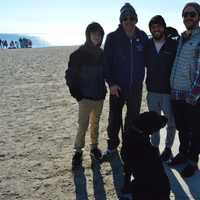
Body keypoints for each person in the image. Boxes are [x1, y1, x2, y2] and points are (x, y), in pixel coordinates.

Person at [103, 3, 148, 158]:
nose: (128, 21)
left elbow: (152, 57)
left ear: (136, 19)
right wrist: (111, 84)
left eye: (131, 18)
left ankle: (128, 145)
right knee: (114, 118)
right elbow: (106, 64)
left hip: (136, 87)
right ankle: (112, 146)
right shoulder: (112, 38)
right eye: (125, 18)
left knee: (132, 118)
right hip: (118, 88)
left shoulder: (142, 37)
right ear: (121, 20)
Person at [65, 22, 106, 169]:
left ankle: (94, 147)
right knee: (82, 125)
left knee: (95, 124)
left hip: (99, 96)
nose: (97, 36)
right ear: (88, 35)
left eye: (99, 34)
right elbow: (70, 76)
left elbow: (107, 74)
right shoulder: (78, 54)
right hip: (85, 98)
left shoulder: (102, 54)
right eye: (94, 33)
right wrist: (77, 94)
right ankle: (78, 151)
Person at [169, 2, 200, 177]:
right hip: (176, 92)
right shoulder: (182, 38)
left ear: (198, 17)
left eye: (192, 14)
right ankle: (182, 153)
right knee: (182, 127)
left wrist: (193, 96)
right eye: (185, 14)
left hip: (192, 96)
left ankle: (192, 161)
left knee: (195, 130)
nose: (188, 17)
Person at [145, 15, 178, 161]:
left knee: (171, 123)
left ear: (163, 27)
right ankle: (154, 148)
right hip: (152, 92)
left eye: (158, 26)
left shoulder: (173, 44)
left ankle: (168, 148)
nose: (156, 29)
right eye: (153, 27)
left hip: (168, 92)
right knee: (154, 124)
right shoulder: (147, 45)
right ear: (150, 29)